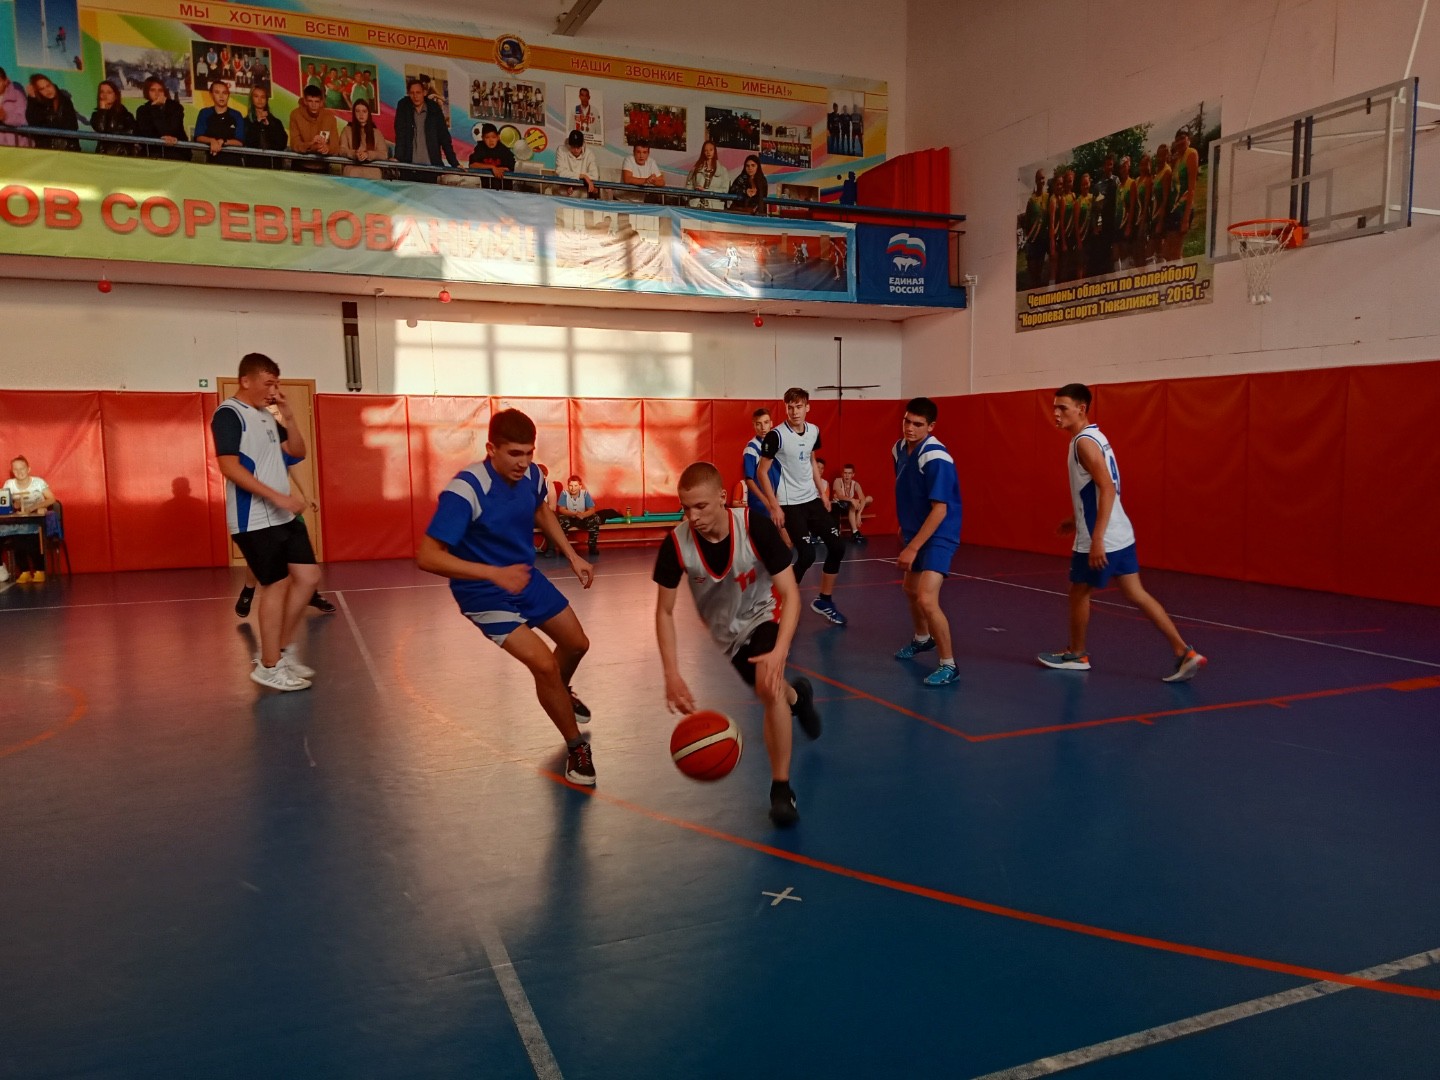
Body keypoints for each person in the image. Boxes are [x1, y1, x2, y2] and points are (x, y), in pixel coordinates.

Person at [416, 409, 598, 786]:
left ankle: (559, 694)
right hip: (482, 592)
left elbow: (541, 510)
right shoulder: (466, 490)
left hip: (523, 578)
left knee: (577, 644)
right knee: (544, 665)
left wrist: (572, 555)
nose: (523, 462)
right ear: (491, 449)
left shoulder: (532, 476)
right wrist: (492, 573)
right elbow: (428, 557)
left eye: (529, 453)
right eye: (515, 453)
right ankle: (576, 747)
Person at [653, 462, 821, 827]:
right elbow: (664, 612)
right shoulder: (677, 544)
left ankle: (781, 790)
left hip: (765, 613)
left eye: (701, 506)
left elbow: (791, 594)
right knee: (772, 688)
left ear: (722, 497)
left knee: (768, 686)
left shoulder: (754, 527)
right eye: (686, 508)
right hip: (727, 637)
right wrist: (671, 674)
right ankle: (799, 698)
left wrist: (780, 651)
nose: (692, 516)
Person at [1037, 383, 1206, 682]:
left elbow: (1106, 488)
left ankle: (1077, 654)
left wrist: (1097, 538)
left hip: (1101, 536)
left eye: (1063, 407)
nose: (1056, 413)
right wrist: (1075, 519)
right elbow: (1098, 490)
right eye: (1054, 407)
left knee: (1079, 592)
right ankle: (1184, 652)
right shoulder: (1097, 437)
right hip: (1121, 532)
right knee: (1136, 593)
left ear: (1081, 409)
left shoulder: (1083, 443)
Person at [210, 353, 321, 692]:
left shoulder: (268, 415)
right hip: (254, 518)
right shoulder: (229, 414)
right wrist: (278, 497)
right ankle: (269, 665)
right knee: (276, 584)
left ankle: (281, 650)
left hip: (283, 516)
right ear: (246, 381)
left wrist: (289, 416)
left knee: (308, 576)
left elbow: (297, 452)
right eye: (268, 383)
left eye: (276, 384)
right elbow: (229, 466)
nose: (274, 390)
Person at [756, 387, 848, 626]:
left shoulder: (814, 431)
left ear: (807, 407)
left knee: (837, 546)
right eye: (790, 407)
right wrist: (774, 506)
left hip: (812, 500)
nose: (795, 412)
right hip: (790, 503)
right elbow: (762, 472)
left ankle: (824, 600)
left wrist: (822, 493)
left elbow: (811, 460)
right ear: (786, 408)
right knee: (806, 554)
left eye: (799, 407)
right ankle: (780, 600)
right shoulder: (776, 436)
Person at [891, 399, 963, 686]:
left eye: (918, 424)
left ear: (931, 427)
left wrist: (913, 547)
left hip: (940, 533)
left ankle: (949, 665)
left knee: (926, 598)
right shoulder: (898, 449)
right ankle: (922, 639)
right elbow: (907, 489)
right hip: (916, 529)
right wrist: (905, 528)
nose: (910, 428)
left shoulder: (936, 457)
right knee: (910, 589)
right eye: (907, 421)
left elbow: (940, 509)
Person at [235, 466, 335, 616]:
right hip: (259, 506)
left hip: (284, 504)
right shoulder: (249, 458)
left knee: (300, 549)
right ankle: (248, 591)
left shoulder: (281, 454)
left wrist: (307, 495)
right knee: (261, 554)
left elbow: (292, 465)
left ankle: (311, 595)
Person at [1, 456, 56, 583]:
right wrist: (14, 505)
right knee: (16, 535)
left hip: (36, 520)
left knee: (32, 536)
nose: (19, 472)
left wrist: (34, 508)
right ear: (12, 471)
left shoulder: (38, 482)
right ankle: (24, 571)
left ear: (28, 469)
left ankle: (39, 570)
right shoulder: (9, 484)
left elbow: (51, 499)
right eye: (16, 469)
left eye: (22, 468)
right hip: (19, 521)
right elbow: (7, 502)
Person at [393, 78, 459, 180]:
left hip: (431, 168)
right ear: (408, 94)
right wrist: (397, 158)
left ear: (424, 93)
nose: (415, 96)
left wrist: (454, 163)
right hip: (408, 167)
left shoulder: (434, 108)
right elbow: (400, 135)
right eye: (412, 93)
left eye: (418, 92)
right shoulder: (403, 106)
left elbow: (444, 138)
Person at [742, 407, 782, 521]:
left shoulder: (777, 444)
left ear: (771, 423)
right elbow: (749, 480)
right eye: (758, 424)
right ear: (754, 426)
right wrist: (766, 502)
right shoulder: (751, 448)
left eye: (766, 422)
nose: (763, 427)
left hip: (778, 499)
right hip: (761, 504)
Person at [134, 76, 188, 160]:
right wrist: (155, 107)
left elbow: (171, 130)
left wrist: (167, 137)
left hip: (177, 153)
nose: (157, 93)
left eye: (160, 90)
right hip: (152, 153)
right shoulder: (142, 110)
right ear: (147, 92)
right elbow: (147, 132)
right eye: (152, 90)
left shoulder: (176, 107)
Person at [288, 84, 340, 171]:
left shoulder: (330, 117)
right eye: (310, 101)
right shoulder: (295, 115)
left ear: (321, 102)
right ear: (305, 101)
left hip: (322, 167)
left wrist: (327, 148)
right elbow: (295, 144)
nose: (314, 105)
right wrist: (311, 145)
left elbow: (335, 146)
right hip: (300, 166)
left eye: (316, 101)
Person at [194, 80, 246, 164]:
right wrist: (212, 141)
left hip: (234, 164)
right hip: (211, 163)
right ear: (211, 94)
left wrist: (223, 141)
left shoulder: (236, 115)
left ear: (228, 95)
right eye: (217, 92)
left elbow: (240, 142)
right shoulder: (204, 113)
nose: (221, 96)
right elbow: (198, 137)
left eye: (224, 93)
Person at [24, 75, 80, 151]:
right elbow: (33, 123)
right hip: (46, 151)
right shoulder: (37, 104)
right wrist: (32, 99)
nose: (47, 90)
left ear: (52, 84)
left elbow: (71, 126)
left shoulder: (64, 101)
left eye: (48, 86)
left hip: (67, 149)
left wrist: (47, 126)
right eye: (42, 89)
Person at [338, 98, 390, 178]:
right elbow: (342, 150)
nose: (361, 114)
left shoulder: (376, 132)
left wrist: (368, 155)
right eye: (358, 111)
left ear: (368, 113)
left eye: (364, 111)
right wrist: (354, 154)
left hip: (372, 173)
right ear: (354, 113)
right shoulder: (347, 130)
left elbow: (384, 154)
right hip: (352, 172)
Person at [242, 84, 288, 168]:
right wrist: (257, 123)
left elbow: (282, 144)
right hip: (253, 167)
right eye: (256, 96)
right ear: (251, 99)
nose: (260, 100)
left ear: (267, 100)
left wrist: (269, 126)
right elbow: (247, 142)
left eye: (263, 97)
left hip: (273, 167)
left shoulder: (276, 122)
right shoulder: (245, 122)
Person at [556, 475, 602, 555]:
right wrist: (573, 513)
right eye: (571, 485)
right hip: (569, 518)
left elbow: (592, 509)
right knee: (562, 519)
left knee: (595, 518)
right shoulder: (564, 494)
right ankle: (564, 548)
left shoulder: (585, 494)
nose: (573, 488)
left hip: (581, 518)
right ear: (568, 486)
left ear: (580, 486)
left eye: (575, 486)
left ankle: (592, 546)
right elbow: (561, 509)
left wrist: (583, 515)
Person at [89, 80, 136, 156]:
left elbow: (131, 133)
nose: (105, 95)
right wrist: (102, 111)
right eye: (102, 92)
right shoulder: (96, 115)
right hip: (103, 155)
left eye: (109, 92)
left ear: (116, 96)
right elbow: (100, 129)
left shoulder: (126, 115)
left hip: (121, 155)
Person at [831, 464, 873, 542]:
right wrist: (852, 500)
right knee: (852, 504)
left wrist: (859, 514)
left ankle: (855, 532)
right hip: (839, 507)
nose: (847, 475)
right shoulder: (837, 481)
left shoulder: (855, 484)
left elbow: (863, 498)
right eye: (845, 473)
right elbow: (839, 496)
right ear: (842, 474)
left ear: (853, 475)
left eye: (849, 473)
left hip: (851, 507)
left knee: (869, 498)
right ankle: (855, 531)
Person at [684, 140, 730, 209]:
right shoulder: (696, 168)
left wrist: (706, 191)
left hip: (715, 207)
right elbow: (689, 186)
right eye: (706, 150)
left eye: (711, 150)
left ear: (715, 151)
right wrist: (694, 193)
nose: (708, 152)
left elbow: (725, 190)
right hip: (696, 205)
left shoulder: (723, 171)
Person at [553, 128, 598, 197]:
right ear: (569, 144)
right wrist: (583, 176)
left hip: (581, 197)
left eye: (578, 147)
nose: (576, 150)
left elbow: (594, 176)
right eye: (573, 147)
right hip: (561, 194)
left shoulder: (589, 154)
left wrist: (573, 183)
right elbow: (560, 172)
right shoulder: (561, 150)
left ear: (582, 145)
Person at [468, 122, 514, 187]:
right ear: (482, 138)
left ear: (498, 137)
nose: (491, 140)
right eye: (487, 137)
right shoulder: (480, 148)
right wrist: (492, 167)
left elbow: (509, 168)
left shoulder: (504, 150)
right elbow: (472, 165)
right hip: (487, 189)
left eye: (493, 137)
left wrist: (498, 169)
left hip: (504, 189)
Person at [0, 68, 33, 148]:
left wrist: (5, 116)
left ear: (5, 80)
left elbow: (24, 120)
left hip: (18, 147)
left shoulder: (17, 94)